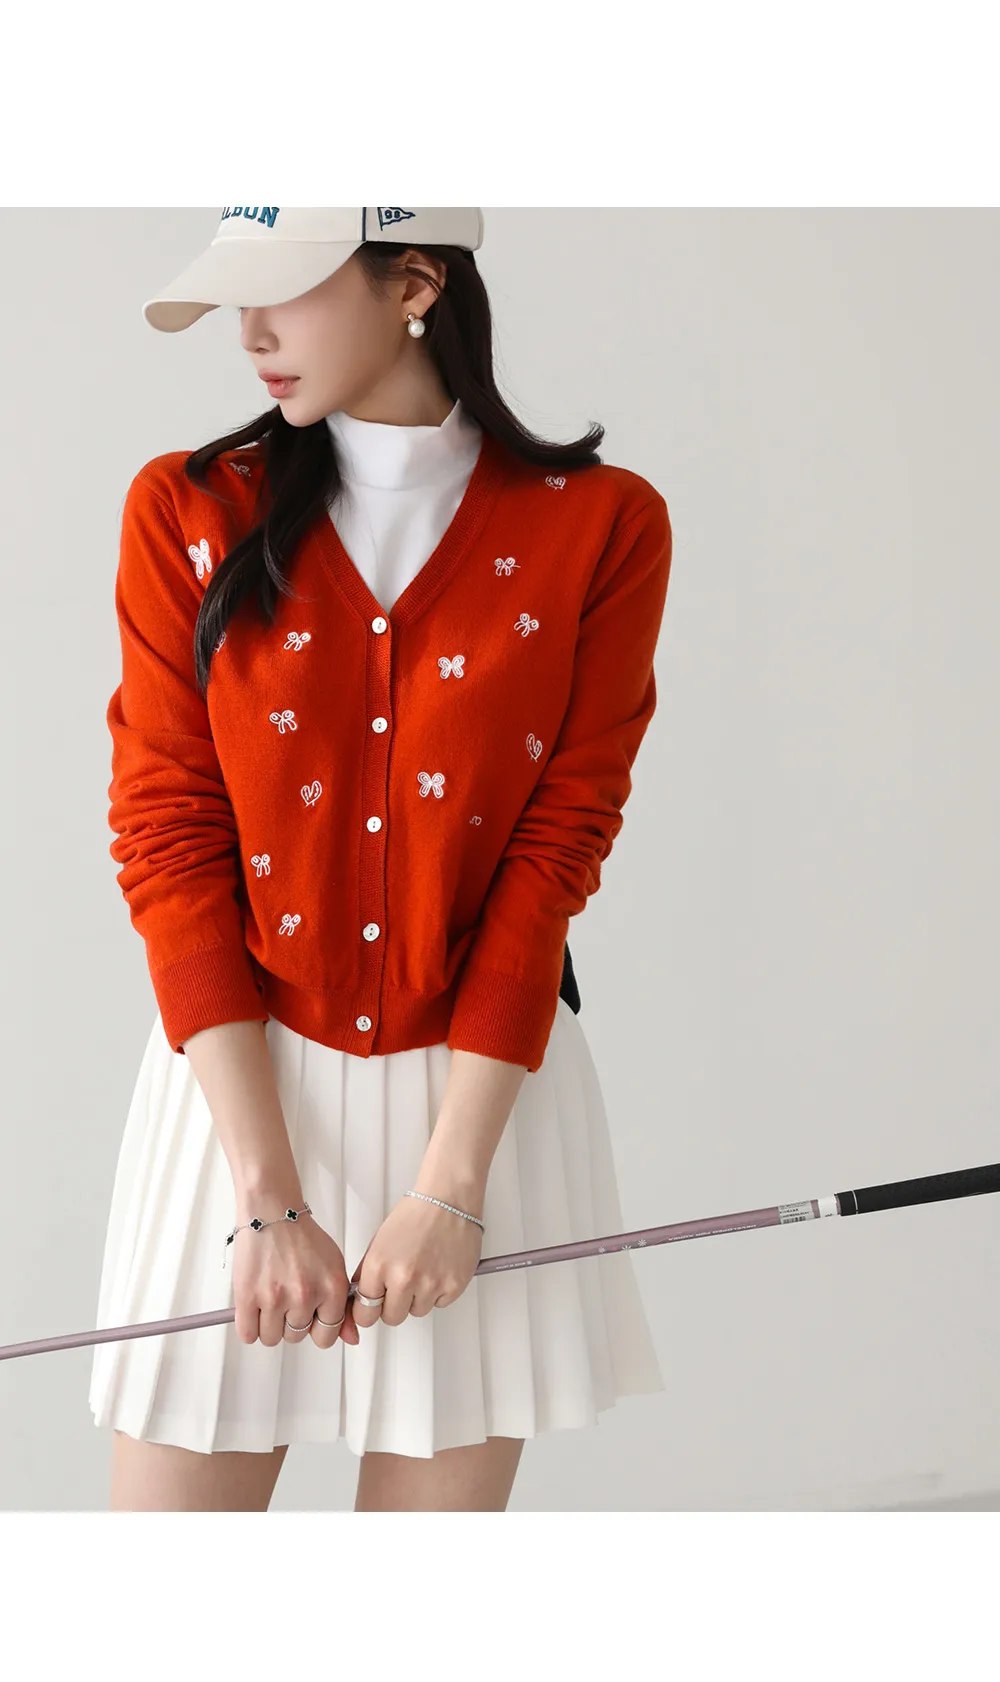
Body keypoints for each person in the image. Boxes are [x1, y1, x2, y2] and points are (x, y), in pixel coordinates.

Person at [89, 206, 672, 1512]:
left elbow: (555, 852)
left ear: (414, 283)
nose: (251, 333)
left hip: (481, 1110)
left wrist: (453, 1189)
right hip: (235, 1105)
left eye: (283, 291)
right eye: (234, 300)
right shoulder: (187, 511)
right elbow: (167, 838)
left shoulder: (601, 526)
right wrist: (265, 1197)